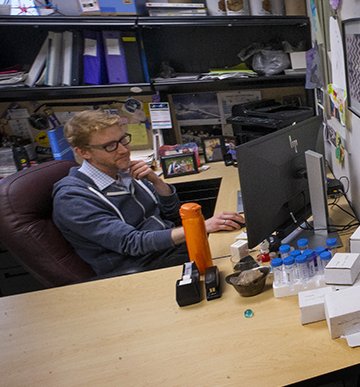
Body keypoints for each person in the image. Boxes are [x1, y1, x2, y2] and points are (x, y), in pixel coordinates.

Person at [52, 110, 244, 277]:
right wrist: (200, 228)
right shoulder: (72, 199)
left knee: (242, 245)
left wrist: (157, 181)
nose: (123, 150)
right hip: (144, 267)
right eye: (110, 146)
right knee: (234, 264)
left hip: (171, 249)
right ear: (84, 152)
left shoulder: (124, 172)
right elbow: (132, 243)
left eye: (123, 140)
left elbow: (172, 214)